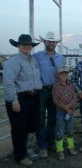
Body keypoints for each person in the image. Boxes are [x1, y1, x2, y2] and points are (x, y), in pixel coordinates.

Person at [3, 34, 42, 166]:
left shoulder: (33, 60)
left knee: (31, 125)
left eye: (28, 44)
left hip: (33, 97)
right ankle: (20, 156)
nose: (26, 46)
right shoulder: (12, 62)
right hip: (20, 98)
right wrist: (14, 101)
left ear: (31, 46)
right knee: (19, 128)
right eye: (23, 44)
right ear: (18, 46)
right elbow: (8, 83)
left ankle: (28, 150)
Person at [34, 31, 65, 158]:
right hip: (42, 90)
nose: (51, 43)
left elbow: (63, 74)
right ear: (45, 42)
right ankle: (42, 146)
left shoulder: (61, 58)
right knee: (41, 119)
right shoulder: (37, 56)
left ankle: (50, 142)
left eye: (53, 41)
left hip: (55, 90)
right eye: (49, 41)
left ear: (55, 43)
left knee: (53, 118)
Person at [52, 66, 78, 160]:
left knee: (70, 130)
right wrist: (65, 108)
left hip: (70, 111)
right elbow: (56, 100)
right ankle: (60, 150)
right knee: (60, 131)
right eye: (61, 74)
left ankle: (70, 147)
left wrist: (70, 107)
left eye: (65, 73)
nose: (63, 75)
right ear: (58, 75)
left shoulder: (71, 85)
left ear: (67, 74)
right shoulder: (55, 86)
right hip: (61, 111)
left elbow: (74, 97)